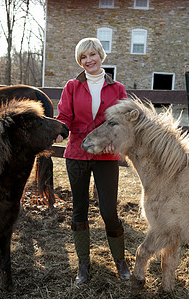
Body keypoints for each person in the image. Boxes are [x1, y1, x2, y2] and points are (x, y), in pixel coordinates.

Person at [56, 37, 130, 285]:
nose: (88, 61)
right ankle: (84, 265)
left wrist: (115, 140)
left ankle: (120, 262)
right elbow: (65, 116)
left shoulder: (117, 88)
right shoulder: (72, 86)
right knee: (79, 210)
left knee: (109, 211)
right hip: (77, 153)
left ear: (101, 56)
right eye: (83, 57)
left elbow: (122, 122)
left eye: (92, 55)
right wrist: (59, 130)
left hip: (107, 155)